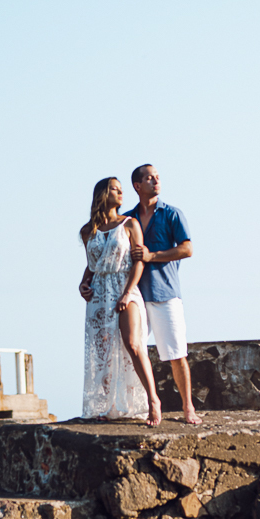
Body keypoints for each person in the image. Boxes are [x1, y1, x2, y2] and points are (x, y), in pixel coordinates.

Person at [79, 176, 162, 426]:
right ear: (104, 194)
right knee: (102, 351)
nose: (121, 193)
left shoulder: (129, 224)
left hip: (125, 288)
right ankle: (105, 405)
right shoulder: (87, 231)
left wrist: (128, 292)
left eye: (121, 190)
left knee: (133, 344)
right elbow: (92, 265)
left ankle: (153, 401)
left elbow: (139, 261)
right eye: (115, 189)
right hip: (99, 294)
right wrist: (83, 283)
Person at [126, 164, 198, 424]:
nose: (156, 181)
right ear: (137, 185)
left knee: (176, 354)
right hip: (136, 296)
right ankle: (146, 405)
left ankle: (188, 408)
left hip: (166, 293)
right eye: (149, 178)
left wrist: (152, 256)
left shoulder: (172, 214)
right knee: (133, 351)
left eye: (157, 177)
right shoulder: (128, 219)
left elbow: (187, 249)